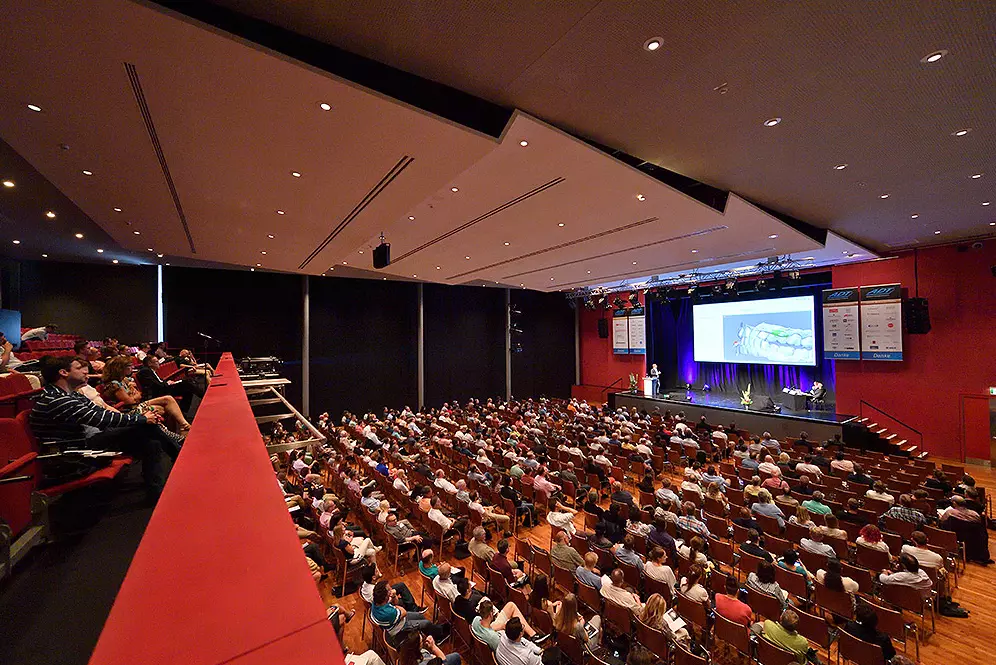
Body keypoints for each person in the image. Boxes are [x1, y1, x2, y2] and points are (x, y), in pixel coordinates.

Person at [29, 355, 177, 495]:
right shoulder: (56, 399)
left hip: (89, 438)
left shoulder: (72, 395)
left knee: (151, 442)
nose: (86, 371)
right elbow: (99, 419)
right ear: (63, 372)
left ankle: (157, 490)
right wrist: (141, 419)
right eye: (79, 367)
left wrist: (140, 419)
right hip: (72, 450)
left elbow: (99, 411)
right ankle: (177, 455)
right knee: (146, 427)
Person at [370, 580, 447, 644]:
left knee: (420, 616)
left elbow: (395, 603)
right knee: (426, 623)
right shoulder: (387, 612)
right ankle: (438, 638)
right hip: (399, 629)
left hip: (396, 620)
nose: (392, 589)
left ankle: (435, 631)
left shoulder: (376, 601)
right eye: (389, 589)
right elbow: (403, 612)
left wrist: (393, 597)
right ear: (385, 596)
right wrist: (396, 607)